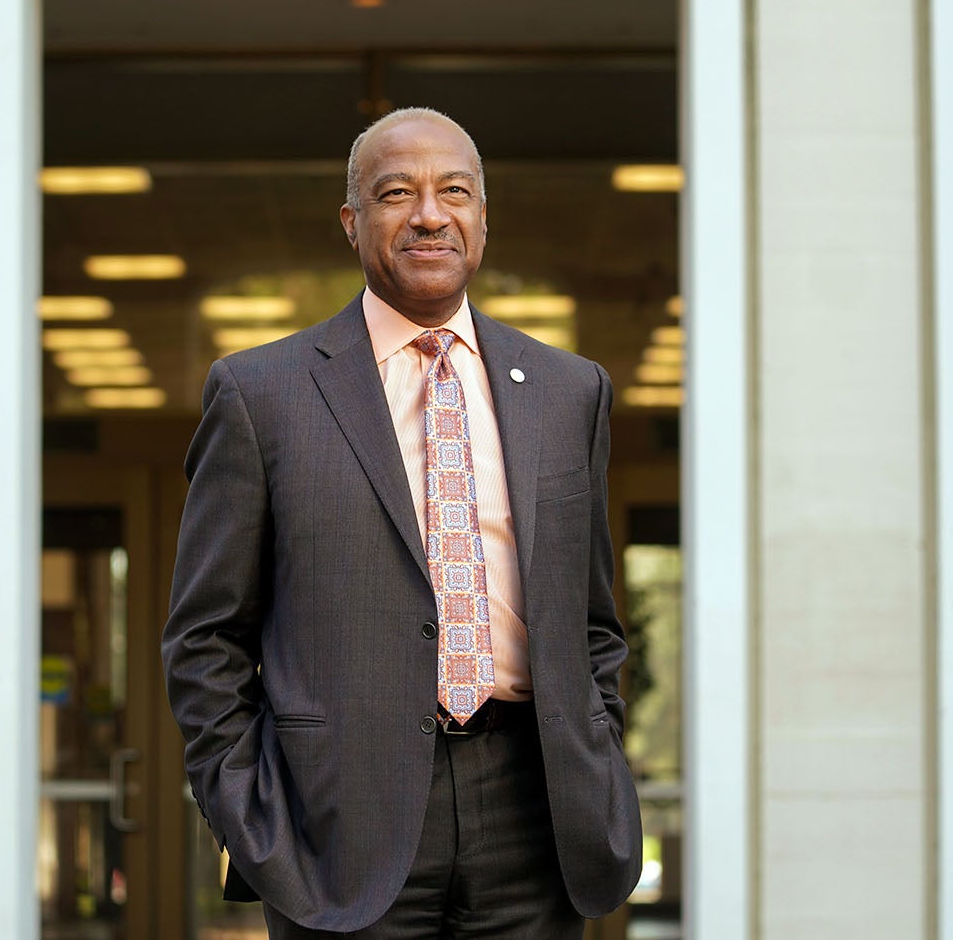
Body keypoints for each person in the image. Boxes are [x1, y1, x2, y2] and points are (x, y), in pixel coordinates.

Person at [162, 107, 643, 938]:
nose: (429, 214)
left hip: (537, 814)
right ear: (353, 224)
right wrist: (255, 821)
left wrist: (596, 755)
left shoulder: (571, 392)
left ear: (482, 221)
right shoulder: (261, 396)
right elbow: (206, 640)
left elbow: (594, 620)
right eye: (397, 193)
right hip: (336, 828)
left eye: (454, 191)